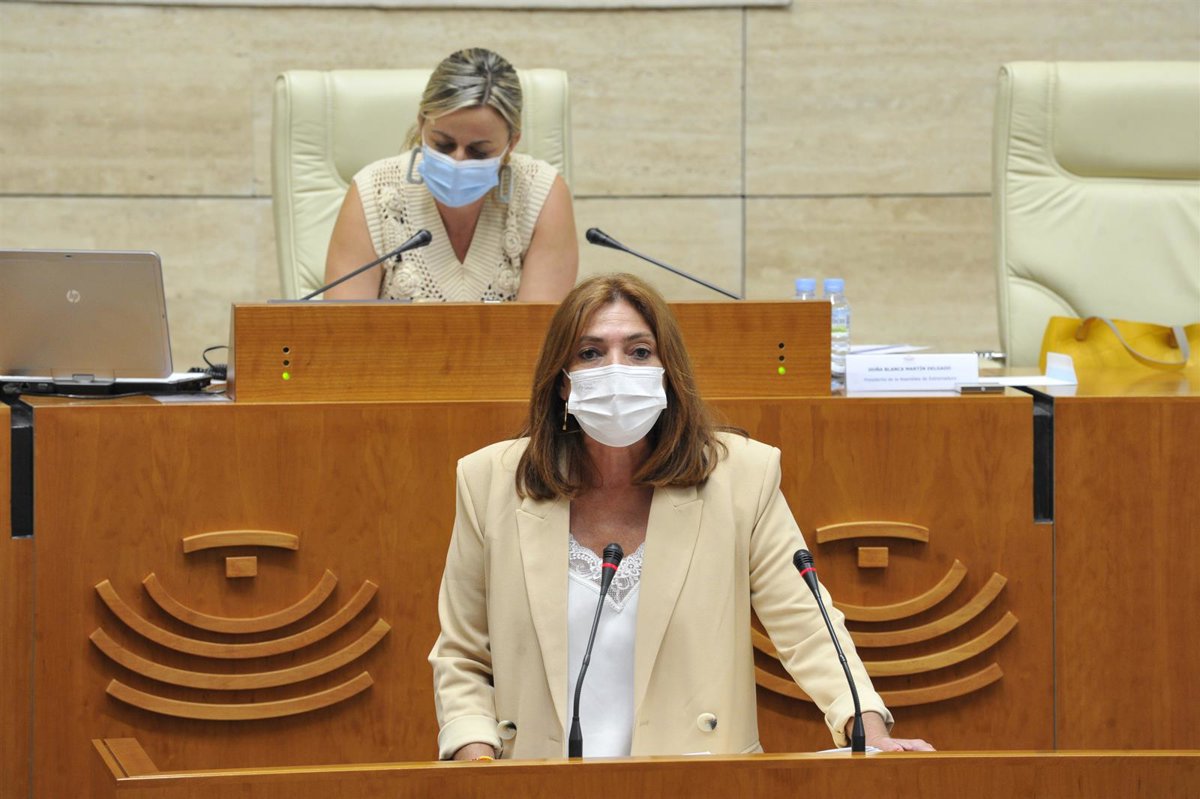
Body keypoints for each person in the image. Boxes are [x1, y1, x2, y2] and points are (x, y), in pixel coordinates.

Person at [429, 273, 934, 760]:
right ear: (562, 382)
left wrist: (867, 729)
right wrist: (479, 766)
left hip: (698, 777)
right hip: (540, 782)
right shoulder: (489, 482)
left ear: (668, 372)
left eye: (639, 351)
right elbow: (463, 656)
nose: (616, 369)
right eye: (590, 353)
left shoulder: (741, 477)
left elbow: (807, 627)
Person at [323, 48, 578, 302]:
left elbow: (540, 325)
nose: (457, 161)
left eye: (479, 152)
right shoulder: (373, 192)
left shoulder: (541, 193)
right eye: (443, 145)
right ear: (422, 124)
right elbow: (343, 325)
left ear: (511, 143)